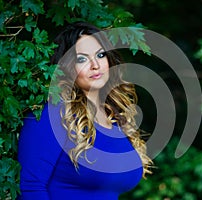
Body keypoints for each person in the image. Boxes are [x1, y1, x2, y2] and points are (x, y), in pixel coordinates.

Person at [18, 21, 152, 200]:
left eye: (100, 55)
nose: (95, 65)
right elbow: (30, 187)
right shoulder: (52, 114)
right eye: (82, 59)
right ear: (66, 68)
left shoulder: (116, 118)